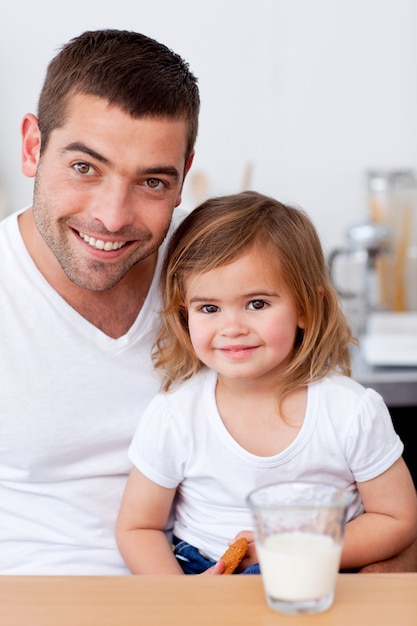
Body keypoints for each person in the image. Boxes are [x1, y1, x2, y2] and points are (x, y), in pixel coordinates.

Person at [116, 191, 417, 575]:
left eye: (257, 304)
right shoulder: (176, 414)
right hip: (201, 572)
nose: (233, 328)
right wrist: (181, 596)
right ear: (184, 314)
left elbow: (396, 520)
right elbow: (138, 527)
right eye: (209, 308)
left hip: (321, 570)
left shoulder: (350, 410)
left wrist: (300, 552)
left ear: (306, 308)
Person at [0, 29, 200, 575]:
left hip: (205, 593)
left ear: (183, 176)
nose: (113, 218)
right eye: (85, 167)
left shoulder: (218, 274)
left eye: (152, 182)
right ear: (32, 147)